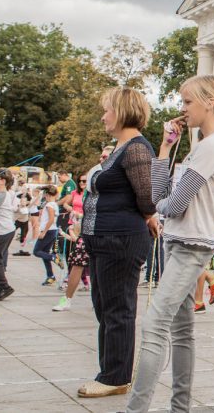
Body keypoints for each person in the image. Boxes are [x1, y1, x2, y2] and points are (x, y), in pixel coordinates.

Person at [126, 74, 214, 412]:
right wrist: (165, 148)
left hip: (190, 245)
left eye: (188, 102)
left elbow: (170, 204)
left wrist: (158, 207)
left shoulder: (213, 145)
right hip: (182, 242)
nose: (183, 110)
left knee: (154, 324)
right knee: (181, 330)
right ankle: (179, 408)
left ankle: (136, 409)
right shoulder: (203, 146)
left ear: (210, 103)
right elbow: (158, 193)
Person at [79, 87, 158, 398]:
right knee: (105, 307)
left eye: (108, 110)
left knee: (117, 310)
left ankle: (115, 376)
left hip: (120, 239)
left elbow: (146, 196)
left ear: (123, 111)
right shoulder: (121, 148)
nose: (103, 116)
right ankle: (110, 371)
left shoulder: (137, 148)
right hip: (103, 239)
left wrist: (150, 216)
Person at [0, 169, 18, 301]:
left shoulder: (2, 195)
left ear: (2, 181)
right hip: (1, 230)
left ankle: (4, 287)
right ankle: (3, 287)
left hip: (3, 231)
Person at [34, 186, 60, 285]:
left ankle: (54, 257)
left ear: (47, 194)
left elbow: (51, 219)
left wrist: (43, 232)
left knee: (36, 251)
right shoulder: (54, 204)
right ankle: (51, 276)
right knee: (44, 253)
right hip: (52, 231)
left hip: (48, 231)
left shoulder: (50, 205)